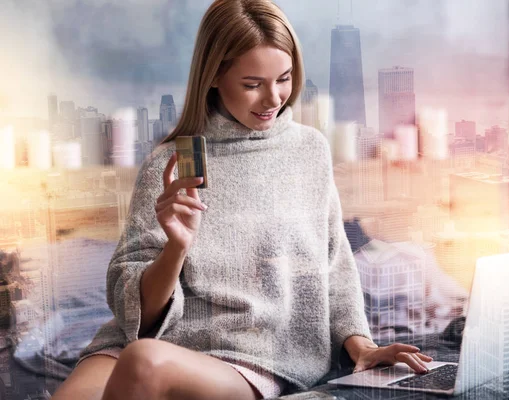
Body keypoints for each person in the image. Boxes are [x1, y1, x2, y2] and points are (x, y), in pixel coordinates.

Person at [53, 1, 432, 399]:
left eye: (283, 79)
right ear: (214, 75)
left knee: (146, 363)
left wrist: (362, 346)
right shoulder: (169, 163)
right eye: (253, 84)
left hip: (252, 356)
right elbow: (137, 316)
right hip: (142, 341)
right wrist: (177, 249)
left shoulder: (308, 151)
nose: (273, 99)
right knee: (118, 369)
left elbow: (334, 265)